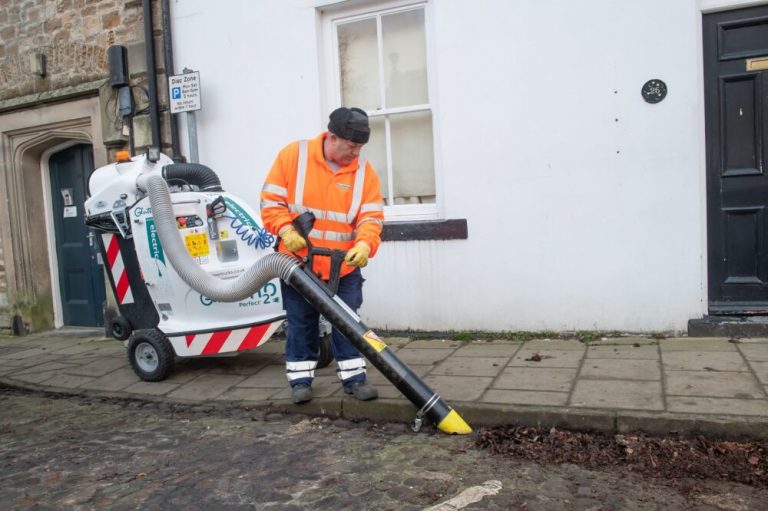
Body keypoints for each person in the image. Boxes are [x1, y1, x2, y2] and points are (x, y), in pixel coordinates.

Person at [260, 107, 385, 404]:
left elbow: (371, 217)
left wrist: (365, 245)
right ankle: (300, 381)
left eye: (360, 147)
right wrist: (285, 230)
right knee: (301, 321)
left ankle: (355, 380)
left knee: (348, 321)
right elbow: (271, 202)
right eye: (352, 146)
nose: (356, 153)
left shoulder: (364, 172)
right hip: (298, 264)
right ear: (332, 137)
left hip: (343, 266)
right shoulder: (294, 156)